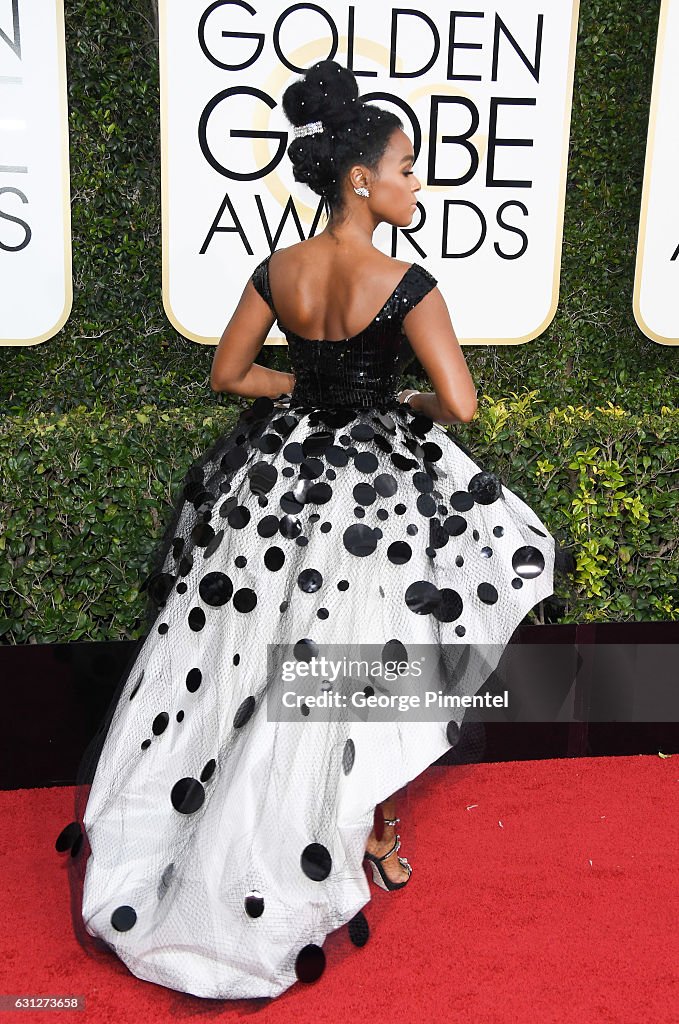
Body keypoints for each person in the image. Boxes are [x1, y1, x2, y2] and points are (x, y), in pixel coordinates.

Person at [56, 59, 573, 1001]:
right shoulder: (406, 281)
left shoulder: (277, 269)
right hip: (371, 493)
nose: (419, 183)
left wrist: (311, 389)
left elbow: (229, 376)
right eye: (407, 166)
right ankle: (358, 828)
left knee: (245, 654)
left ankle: (265, 825)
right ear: (361, 180)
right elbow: (458, 404)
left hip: (279, 476)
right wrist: (390, 397)